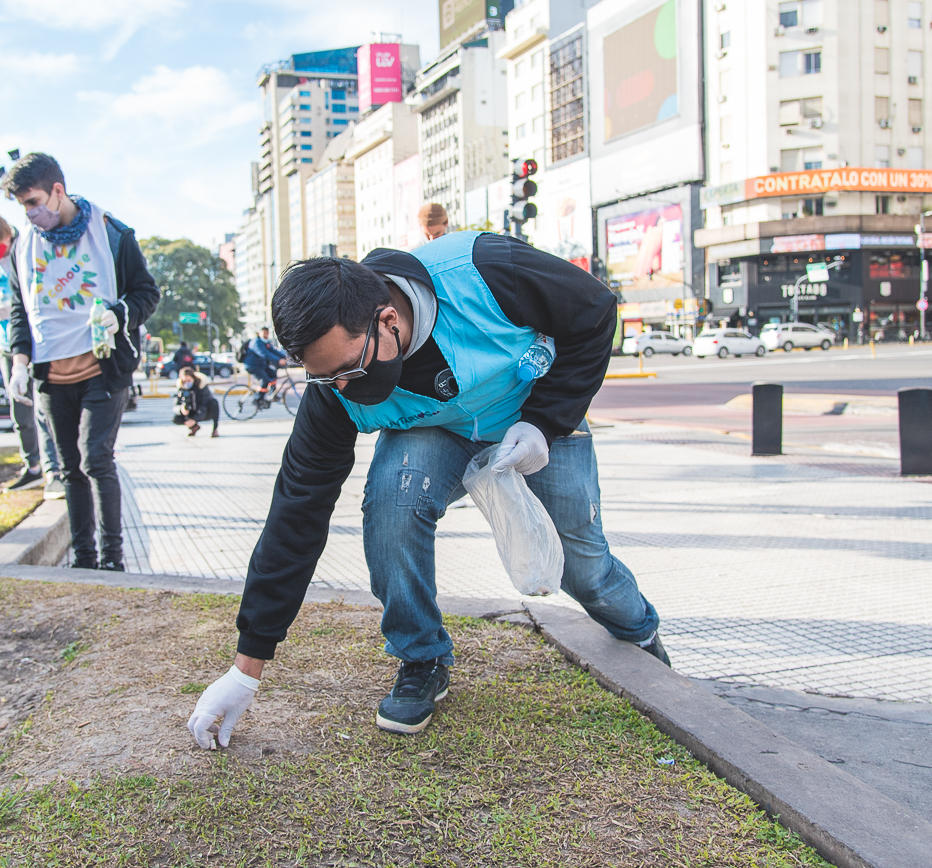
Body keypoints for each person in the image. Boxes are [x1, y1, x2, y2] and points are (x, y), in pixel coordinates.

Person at [187, 234, 668, 749]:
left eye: (351, 369)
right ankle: (421, 657)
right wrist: (246, 669)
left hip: (534, 414)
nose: (344, 387)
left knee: (583, 567)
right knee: (392, 503)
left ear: (388, 320)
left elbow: (595, 312)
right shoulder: (333, 392)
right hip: (437, 430)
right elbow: (295, 514)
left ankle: (640, 632)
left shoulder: (485, 270)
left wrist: (546, 421)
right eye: (326, 377)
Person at [1, 152, 159, 572]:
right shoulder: (23, 247)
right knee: (70, 469)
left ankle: (112, 558)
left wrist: (120, 313)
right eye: (23, 206)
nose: (30, 214)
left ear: (58, 191)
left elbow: (147, 293)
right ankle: (84, 561)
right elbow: (19, 311)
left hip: (102, 369)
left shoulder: (111, 234)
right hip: (51, 376)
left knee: (95, 459)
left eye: (34, 202)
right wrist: (19, 363)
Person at [0, 211, 63, 495]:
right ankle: (32, 466)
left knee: (44, 408)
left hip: (36, 343)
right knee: (20, 409)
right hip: (6, 345)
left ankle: (54, 469)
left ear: (8, 237)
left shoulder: (27, 251)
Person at [173, 366, 219, 437]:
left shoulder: (201, 387)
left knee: (214, 403)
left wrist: (195, 419)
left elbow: (204, 405)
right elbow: (176, 405)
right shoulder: (181, 389)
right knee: (176, 419)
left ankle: (215, 429)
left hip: (203, 411)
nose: (187, 383)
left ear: (193, 378)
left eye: (189, 380)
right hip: (191, 412)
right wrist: (181, 409)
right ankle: (194, 427)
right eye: (185, 381)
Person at [241, 327, 286, 399]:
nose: (266, 335)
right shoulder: (255, 342)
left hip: (261, 365)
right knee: (265, 380)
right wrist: (278, 360)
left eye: (267, 333)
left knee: (273, 374)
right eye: (264, 333)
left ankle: (272, 395)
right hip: (252, 366)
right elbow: (264, 354)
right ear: (259, 333)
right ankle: (258, 399)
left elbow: (273, 351)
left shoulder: (265, 343)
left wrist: (284, 356)